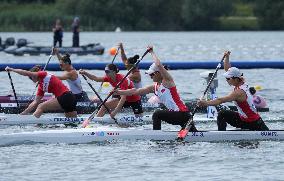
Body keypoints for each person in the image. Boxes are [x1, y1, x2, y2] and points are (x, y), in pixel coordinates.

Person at [114, 46, 197, 131]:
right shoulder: (154, 87)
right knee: (194, 135)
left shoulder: (168, 81)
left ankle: (156, 136)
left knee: (157, 114)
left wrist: (152, 52)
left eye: (151, 74)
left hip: (182, 114)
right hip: (180, 116)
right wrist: (119, 92)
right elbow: (135, 91)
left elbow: (158, 65)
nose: (150, 76)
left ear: (158, 73)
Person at [197, 51, 269, 131]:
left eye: (228, 78)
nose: (227, 80)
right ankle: (221, 134)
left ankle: (221, 137)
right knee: (222, 114)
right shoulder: (240, 81)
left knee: (222, 114)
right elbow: (227, 69)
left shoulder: (239, 92)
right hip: (243, 119)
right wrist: (227, 57)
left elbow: (221, 100)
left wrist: (206, 103)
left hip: (253, 123)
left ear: (236, 79)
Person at [5, 65, 77, 118]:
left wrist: (11, 69)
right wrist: (23, 114)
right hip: (70, 99)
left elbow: (26, 73)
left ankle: (33, 124)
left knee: (41, 106)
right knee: (71, 122)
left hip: (66, 96)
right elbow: (35, 101)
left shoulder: (43, 74)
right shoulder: (41, 87)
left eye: (31, 77)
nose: (31, 79)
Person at [79, 63, 143, 118]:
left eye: (107, 71)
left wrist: (115, 112)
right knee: (104, 106)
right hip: (123, 98)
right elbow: (96, 79)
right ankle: (97, 121)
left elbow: (123, 98)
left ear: (114, 72)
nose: (105, 73)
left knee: (139, 119)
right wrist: (85, 73)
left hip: (134, 99)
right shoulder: (109, 78)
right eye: (105, 71)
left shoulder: (122, 80)